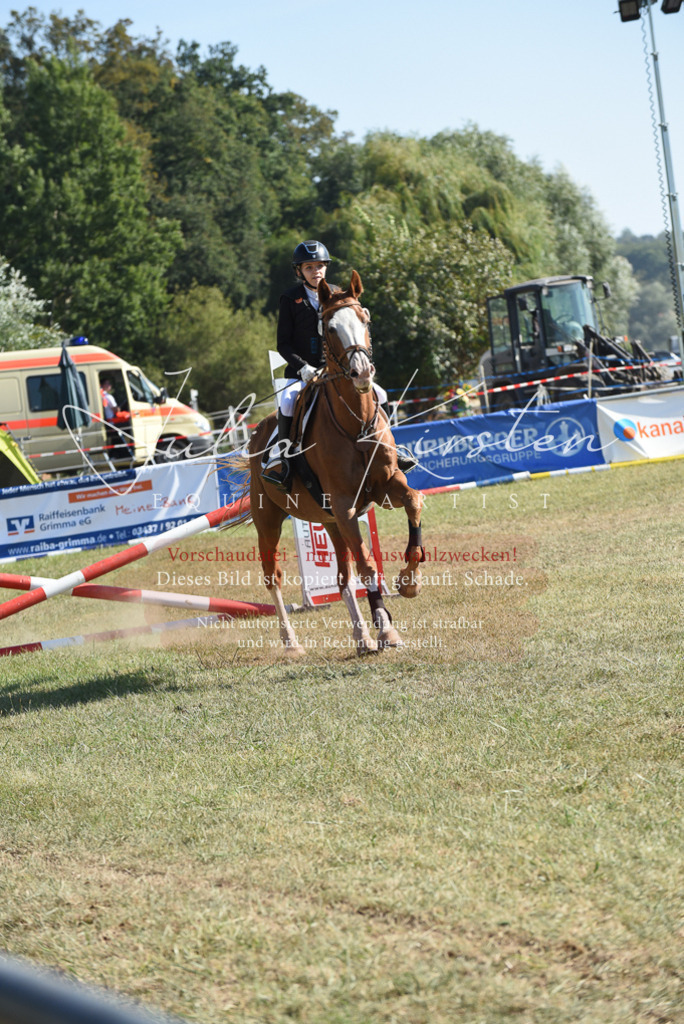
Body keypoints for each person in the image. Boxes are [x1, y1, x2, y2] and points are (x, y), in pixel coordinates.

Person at [262, 240, 415, 489]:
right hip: (302, 372)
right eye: (309, 267)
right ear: (299, 271)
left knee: (380, 392)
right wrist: (303, 368)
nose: (316, 271)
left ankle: (394, 450)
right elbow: (284, 345)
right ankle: (283, 460)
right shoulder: (290, 299)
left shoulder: (337, 293)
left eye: (320, 266)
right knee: (289, 401)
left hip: (338, 370)